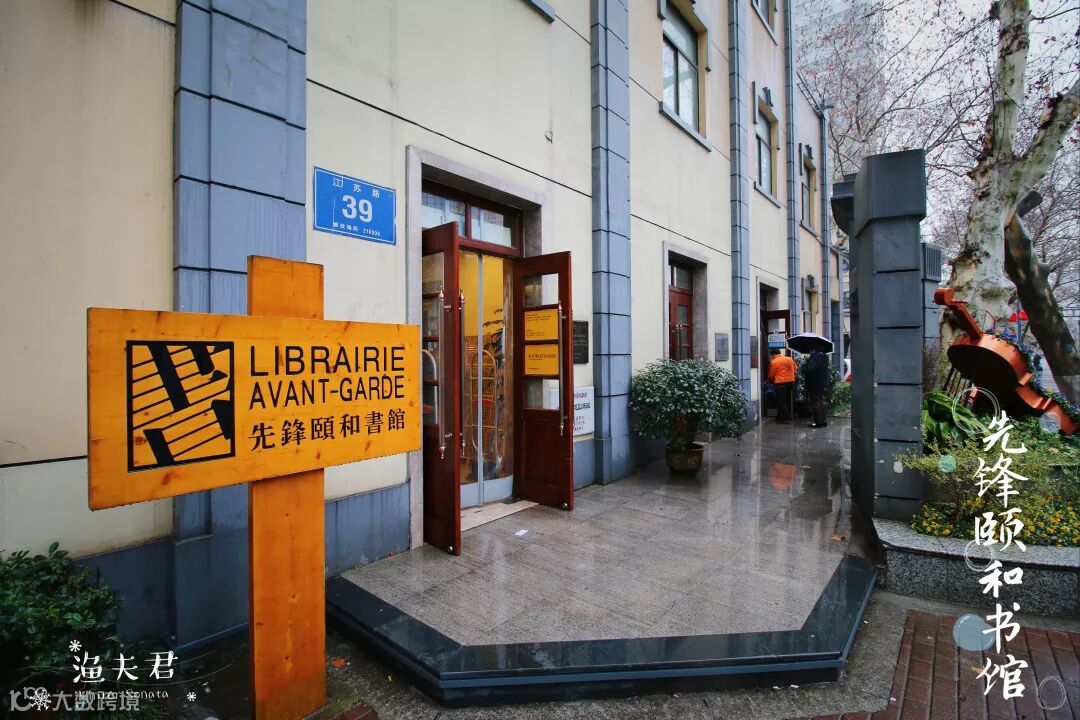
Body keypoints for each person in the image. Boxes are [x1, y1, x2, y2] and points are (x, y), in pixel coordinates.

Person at [766, 348, 796, 422]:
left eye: (771, 356)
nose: (771, 357)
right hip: (791, 382)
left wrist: (769, 381)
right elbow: (795, 368)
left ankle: (786, 418)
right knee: (787, 400)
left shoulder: (774, 362)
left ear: (773, 354)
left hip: (780, 383)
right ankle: (779, 416)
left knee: (781, 401)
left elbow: (772, 375)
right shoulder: (789, 359)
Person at [804, 349, 830, 428]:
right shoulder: (824, 357)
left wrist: (805, 367)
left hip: (814, 383)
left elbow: (809, 371)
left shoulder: (813, 358)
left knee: (815, 402)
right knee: (820, 400)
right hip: (822, 383)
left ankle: (818, 422)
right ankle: (823, 421)